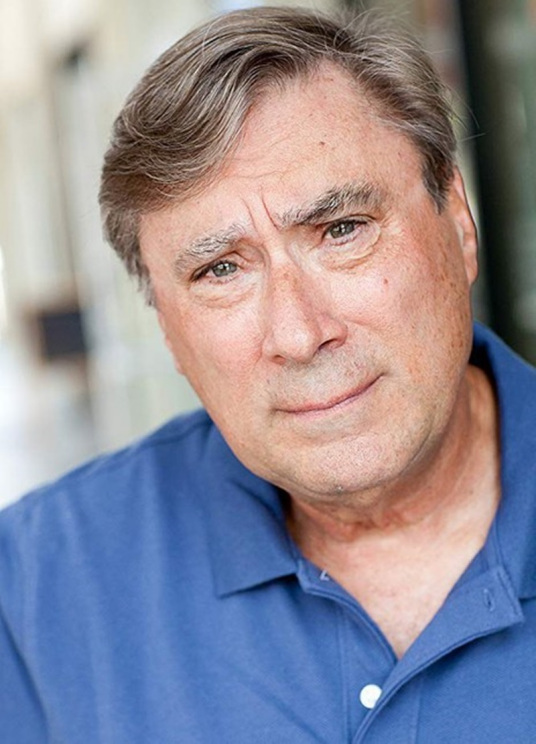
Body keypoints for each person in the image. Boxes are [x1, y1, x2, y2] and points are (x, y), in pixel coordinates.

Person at [1, 6, 535, 743]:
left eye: (342, 230)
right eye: (221, 270)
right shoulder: (36, 590)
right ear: (166, 329)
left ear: (460, 224)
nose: (300, 334)